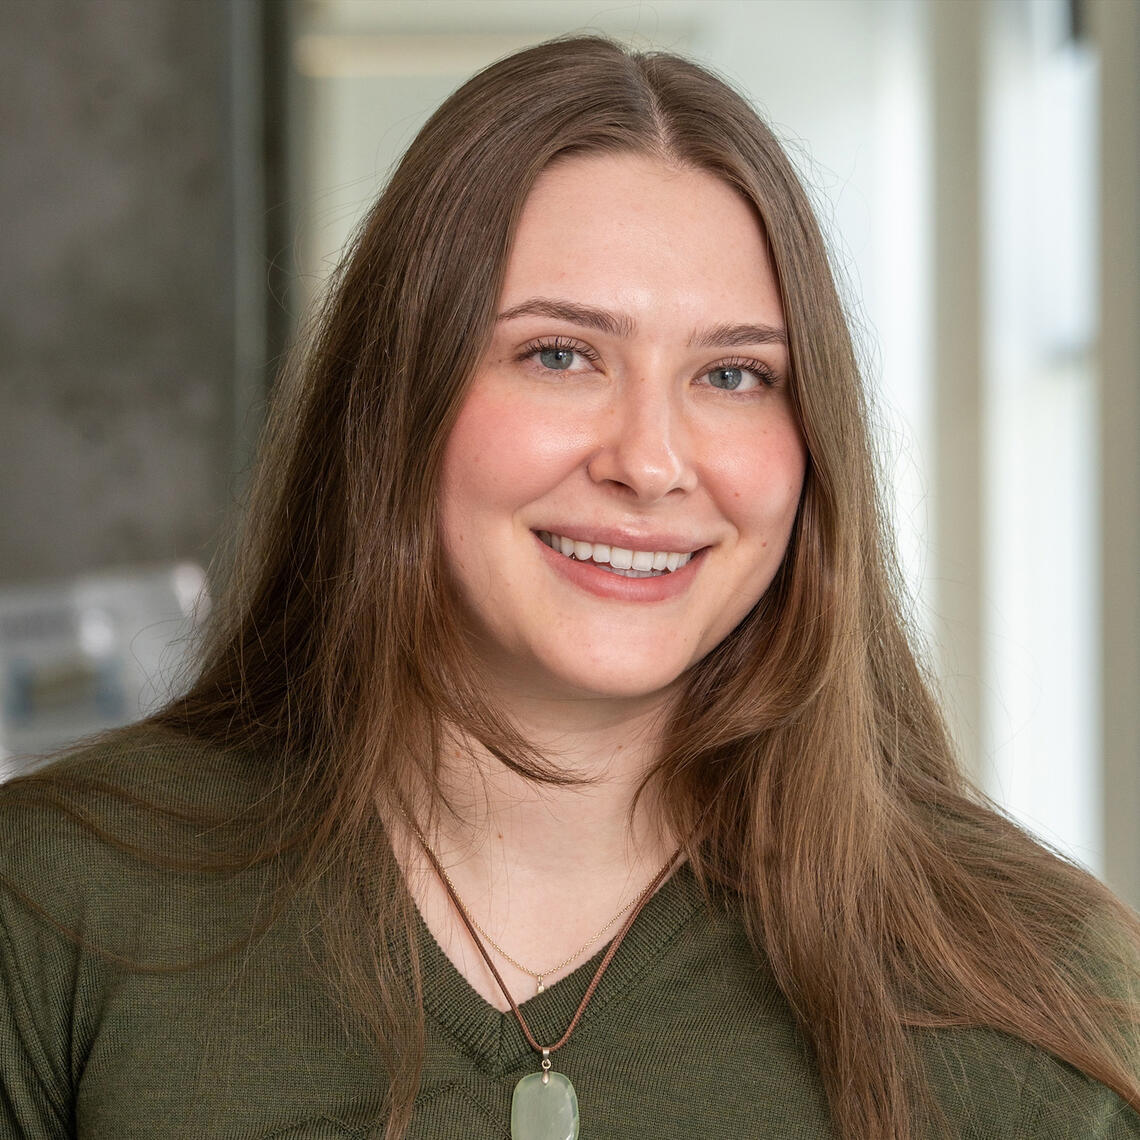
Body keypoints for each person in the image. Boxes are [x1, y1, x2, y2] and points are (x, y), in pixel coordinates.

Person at [1, 35, 1138, 1140]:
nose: (649, 461)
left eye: (734, 374)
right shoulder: (59, 904)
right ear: (399, 396)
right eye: (560, 354)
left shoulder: (1033, 980)